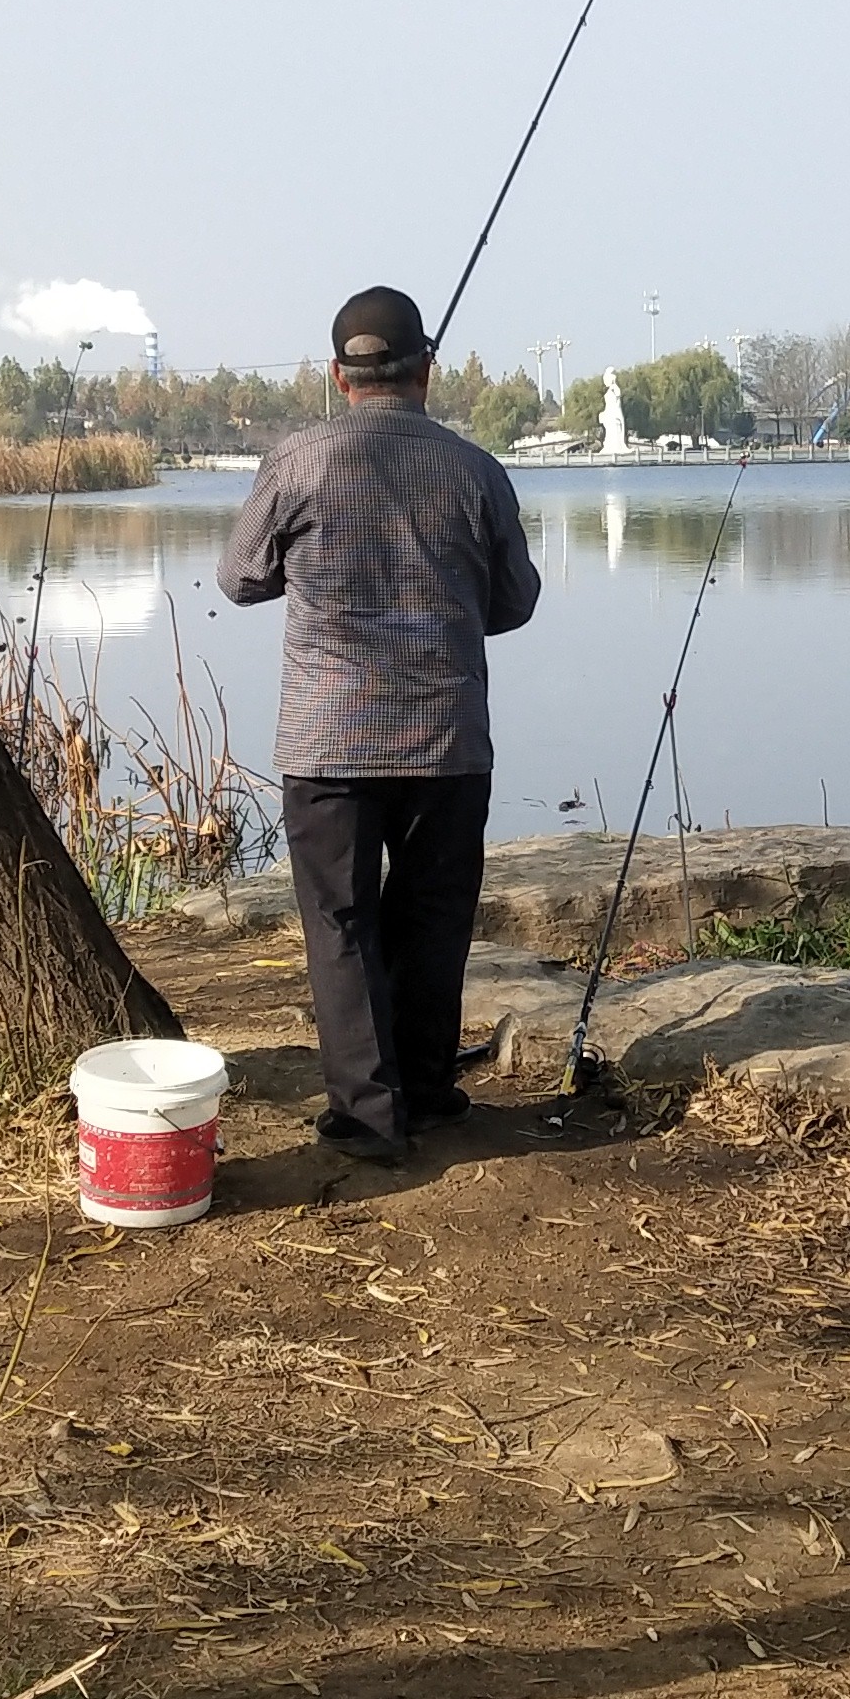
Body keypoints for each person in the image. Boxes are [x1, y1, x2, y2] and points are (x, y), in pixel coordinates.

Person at [216, 285, 542, 1165]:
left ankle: (368, 1114)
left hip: (327, 742)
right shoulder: (476, 470)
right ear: (426, 370)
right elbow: (516, 602)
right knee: (435, 918)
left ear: (338, 375)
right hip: (445, 740)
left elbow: (239, 578)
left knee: (342, 922)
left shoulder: (299, 460)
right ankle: (429, 1090)